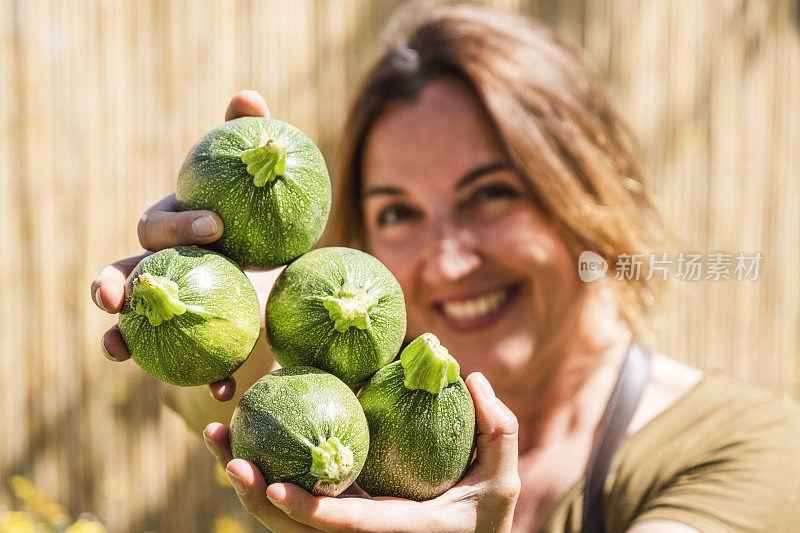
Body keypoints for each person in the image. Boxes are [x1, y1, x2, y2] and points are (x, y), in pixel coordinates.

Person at [90, 5, 800, 532]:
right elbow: (213, 386)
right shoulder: (340, 421)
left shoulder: (753, 450)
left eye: (490, 195)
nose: (448, 258)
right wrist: (216, 280)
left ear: (589, 192)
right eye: (398, 213)